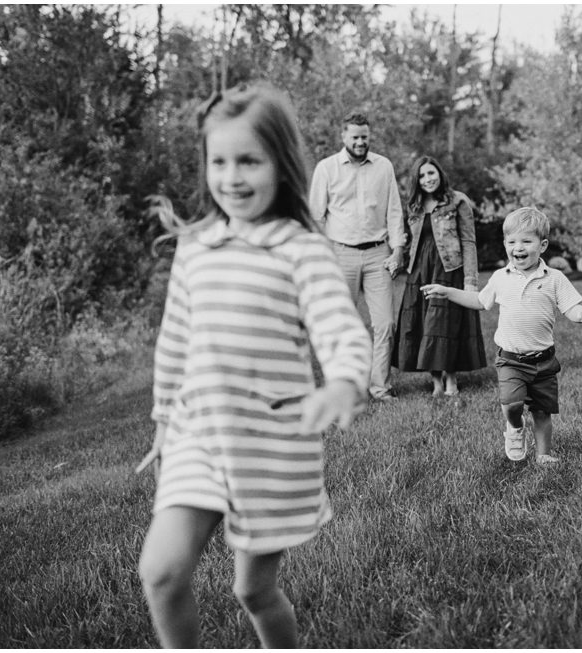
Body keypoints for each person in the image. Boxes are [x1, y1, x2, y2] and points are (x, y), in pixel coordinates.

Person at [137, 82, 371, 648]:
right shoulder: (197, 246)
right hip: (199, 434)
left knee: (252, 592)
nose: (232, 177)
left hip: (270, 443)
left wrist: (342, 382)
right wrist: (165, 421)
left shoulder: (300, 249)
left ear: (280, 164)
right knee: (161, 573)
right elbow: (175, 342)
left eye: (248, 161)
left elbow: (340, 328)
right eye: (219, 161)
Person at [421, 207, 582, 464]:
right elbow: (480, 301)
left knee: (542, 411)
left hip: (543, 360)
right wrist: (448, 292)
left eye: (526, 241)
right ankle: (515, 428)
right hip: (511, 359)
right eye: (512, 241)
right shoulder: (500, 278)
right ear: (505, 244)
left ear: (543, 245)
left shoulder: (554, 278)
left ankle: (543, 455)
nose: (519, 247)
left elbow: (570, 308)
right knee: (511, 405)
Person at [308, 111, 405, 401]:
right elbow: (316, 216)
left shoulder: (383, 166)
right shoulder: (326, 169)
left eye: (365, 136)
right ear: (343, 136)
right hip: (341, 254)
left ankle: (379, 386)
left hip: (378, 254)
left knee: (385, 323)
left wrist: (398, 249)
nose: (361, 142)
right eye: (355, 137)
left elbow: (394, 211)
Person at [393, 156, 486, 397]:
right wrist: (395, 256)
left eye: (431, 173)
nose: (427, 179)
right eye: (422, 176)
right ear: (417, 180)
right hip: (420, 272)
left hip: (448, 269)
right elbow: (409, 240)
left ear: (440, 174)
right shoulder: (413, 206)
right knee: (425, 324)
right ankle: (435, 381)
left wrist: (470, 280)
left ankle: (451, 379)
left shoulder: (457, 201)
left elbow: (468, 241)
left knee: (445, 324)